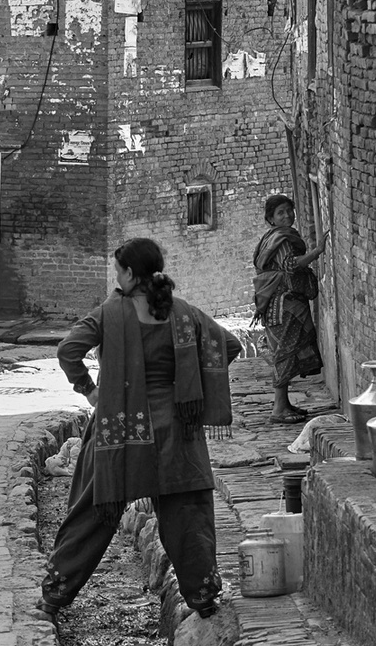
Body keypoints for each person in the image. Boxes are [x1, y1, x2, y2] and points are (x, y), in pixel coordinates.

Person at [39, 237, 241, 621]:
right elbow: (227, 346)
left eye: (118, 270)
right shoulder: (184, 313)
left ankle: (55, 594)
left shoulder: (110, 314)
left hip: (121, 433)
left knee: (94, 511)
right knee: (188, 515)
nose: (116, 278)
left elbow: (68, 350)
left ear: (131, 274)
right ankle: (203, 598)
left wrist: (92, 390)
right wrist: (190, 386)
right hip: (177, 433)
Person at [252, 194, 330, 425]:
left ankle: (284, 404)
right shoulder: (282, 240)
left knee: (285, 353)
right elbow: (290, 266)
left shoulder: (272, 238)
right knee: (284, 354)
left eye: (289, 210)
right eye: (280, 213)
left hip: (280, 304)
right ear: (271, 219)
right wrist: (317, 252)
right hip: (285, 308)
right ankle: (278, 408)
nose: (287, 215)